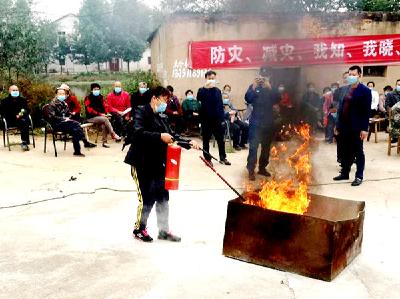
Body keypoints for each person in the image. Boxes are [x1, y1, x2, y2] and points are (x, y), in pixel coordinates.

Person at [124, 86, 199, 242]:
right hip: (141, 162)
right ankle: (139, 229)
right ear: (155, 98)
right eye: (165, 99)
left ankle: (163, 230)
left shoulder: (161, 116)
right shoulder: (141, 111)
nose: (167, 102)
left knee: (163, 196)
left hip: (157, 162)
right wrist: (159, 136)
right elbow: (137, 133)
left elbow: (171, 135)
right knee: (147, 197)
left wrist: (188, 142)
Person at [333, 65, 372, 187]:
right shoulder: (345, 89)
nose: (351, 76)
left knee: (358, 151)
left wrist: (364, 129)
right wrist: (337, 125)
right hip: (344, 124)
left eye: (354, 74)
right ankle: (345, 172)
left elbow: (366, 111)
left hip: (356, 126)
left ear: (359, 75)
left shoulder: (365, 91)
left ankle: (359, 176)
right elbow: (340, 107)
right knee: (344, 150)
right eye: (350, 74)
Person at [245, 68, 280, 181]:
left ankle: (262, 168)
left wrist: (270, 87)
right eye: (262, 75)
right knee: (253, 147)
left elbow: (277, 99)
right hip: (255, 122)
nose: (263, 78)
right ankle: (251, 170)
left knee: (265, 148)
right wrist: (254, 87)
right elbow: (248, 98)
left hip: (268, 122)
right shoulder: (253, 87)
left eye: (266, 76)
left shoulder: (271, 88)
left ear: (269, 77)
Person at [43, 88, 96, 156]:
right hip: (56, 124)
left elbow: (68, 113)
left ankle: (77, 151)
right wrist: (63, 119)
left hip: (65, 123)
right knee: (76, 125)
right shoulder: (52, 104)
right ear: (56, 95)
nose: (62, 95)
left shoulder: (64, 103)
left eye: (63, 94)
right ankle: (85, 142)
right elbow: (51, 117)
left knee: (75, 129)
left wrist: (70, 116)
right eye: (60, 94)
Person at [197, 70, 231, 166]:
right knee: (206, 140)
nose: (212, 80)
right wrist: (205, 87)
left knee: (220, 139)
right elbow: (198, 98)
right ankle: (207, 159)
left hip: (217, 119)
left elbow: (220, 106)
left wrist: (222, 119)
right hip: (206, 120)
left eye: (213, 78)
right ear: (206, 79)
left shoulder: (217, 91)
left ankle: (223, 157)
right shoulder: (201, 90)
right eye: (210, 78)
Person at [84, 83, 121, 148]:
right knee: (105, 119)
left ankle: (104, 142)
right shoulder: (88, 98)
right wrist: (101, 114)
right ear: (92, 90)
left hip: (101, 117)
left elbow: (105, 105)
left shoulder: (101, 97)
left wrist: (106, 113)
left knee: (104, 124)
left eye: (98, 89)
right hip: (91, 117)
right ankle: (113, 134)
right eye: (95, 89)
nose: (97, 90)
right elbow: (90, 110)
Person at [0, 85, 30, 151]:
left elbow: (27, 110)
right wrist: (15, 116)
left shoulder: (23, 100)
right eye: (14, 90)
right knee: (24, 121)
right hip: (10, 120)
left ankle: (24, 142)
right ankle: (25, 141)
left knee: (25, 120)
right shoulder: (4, 101)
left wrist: (22, 113)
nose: (15, 91)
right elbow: (3, 113)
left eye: (17, 90)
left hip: (21, 119)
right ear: (9, 91)